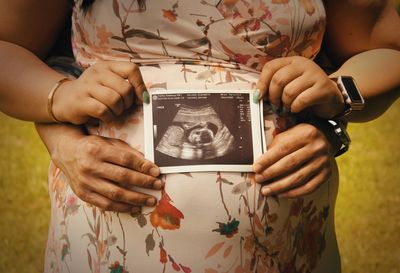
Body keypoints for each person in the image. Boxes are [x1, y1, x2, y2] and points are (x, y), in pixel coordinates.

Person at [0, 0, 399, 272]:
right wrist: (59, 105)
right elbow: (10, 47)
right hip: (107, 243)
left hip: (284, 245)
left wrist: (339, 96)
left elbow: (388, 50)